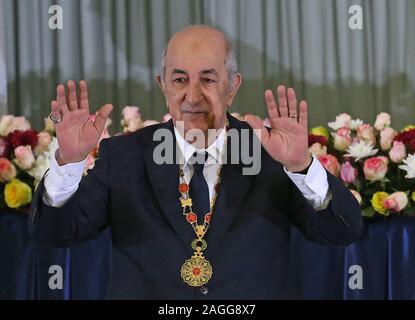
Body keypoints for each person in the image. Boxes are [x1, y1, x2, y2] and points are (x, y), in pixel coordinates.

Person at [29, 25, 363, 299]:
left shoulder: (272, 153)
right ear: (162, 86)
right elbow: (55, 234)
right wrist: (68, 163)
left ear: (232, 87)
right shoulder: (124, 156)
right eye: (179, 80)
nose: (192, 95)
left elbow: (340, 232)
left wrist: (301, 165)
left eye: (208, 78)